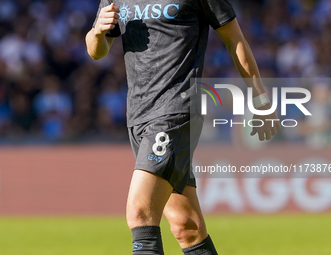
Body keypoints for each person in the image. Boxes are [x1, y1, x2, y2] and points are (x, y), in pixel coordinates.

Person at [86, 1, 281, 254]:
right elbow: (96, 51)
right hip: (138, 115)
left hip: (177, 110)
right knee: (186, 226)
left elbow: (236, 41)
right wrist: (97, 32)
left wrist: (261, 100)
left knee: (140, 213)